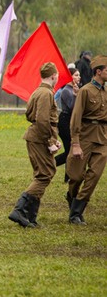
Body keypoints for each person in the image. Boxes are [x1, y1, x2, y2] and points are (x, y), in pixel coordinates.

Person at [8, 63, 61, 228]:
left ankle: (30, 216)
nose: (58, 77)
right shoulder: (46, 93)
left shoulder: (37, 91)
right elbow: (43, 119)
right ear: (53, 76)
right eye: (57, 75)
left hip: (36, 136)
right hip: (40, 138)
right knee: (44, 174)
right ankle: (19, 210)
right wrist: (50, 141)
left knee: (43, 172)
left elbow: (29, 114)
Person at [67, 54, 107, 225]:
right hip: (84, 137)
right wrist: (75, 143)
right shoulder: (85, 91)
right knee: (76, 176)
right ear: (99, 72)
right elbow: (75, 118)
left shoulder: (106, 92)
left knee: (95, 175)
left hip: (103, 138)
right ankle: (71, 197)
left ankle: (76, 211)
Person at [55, 68, 80, 175]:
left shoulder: (74, 89)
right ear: (70, 77)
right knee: (70, 151)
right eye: (76, 75)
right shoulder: (66, 90)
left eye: (79, 75)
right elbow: (72, 107)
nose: (79, 77)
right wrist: (76, 95)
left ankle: (68, 175)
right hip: (64, 122)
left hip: (70, 121)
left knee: (70, 151)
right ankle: (49, 164)